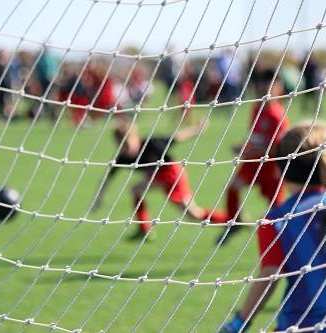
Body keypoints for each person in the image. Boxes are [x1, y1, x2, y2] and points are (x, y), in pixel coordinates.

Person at [220, 121, 326, 332]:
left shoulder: (277, 220)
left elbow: (270, 276)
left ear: (280, 168)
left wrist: (240, 321)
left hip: (302, 323)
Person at [91, 117, 227, 240]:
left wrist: (197, 130)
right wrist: (99, 199)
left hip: (173, 173)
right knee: (193, 214)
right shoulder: (123, 158)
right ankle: (144, 229)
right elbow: (107, 179)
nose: (126, 149)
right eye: (121, 146)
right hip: (158, 177)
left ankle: (231, 221)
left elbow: (176, 137)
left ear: (135, 137)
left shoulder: (151, 143)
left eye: (127, 143)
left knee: (193, 213)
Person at [215, 68, 289, 244]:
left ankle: (287, 239)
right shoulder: (257, 108)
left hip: (270, 167)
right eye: (261, 87)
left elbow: (275, 150)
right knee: (233, 188)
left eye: (269, 87)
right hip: (252, 162)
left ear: (278, 89)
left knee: (277, 210)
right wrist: (244, 146)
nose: (263, 90)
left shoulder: (277, 116)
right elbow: (256, 138)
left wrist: (248, 151)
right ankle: (235, 222)